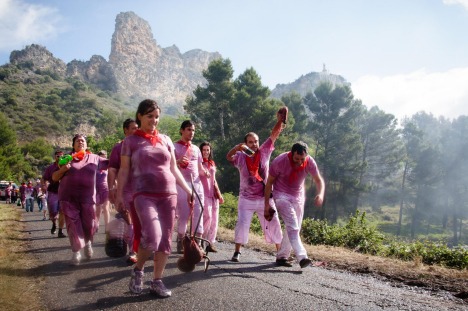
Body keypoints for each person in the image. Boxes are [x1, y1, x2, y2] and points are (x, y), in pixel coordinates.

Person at [115, 99, 193, 298]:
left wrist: (189, 191)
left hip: (169, 194)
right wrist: (119, 194)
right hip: (143, 194)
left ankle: (157, 281)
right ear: (139, 116)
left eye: (157, 116)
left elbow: (173, 168)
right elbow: (124, 170)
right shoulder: (130, 141)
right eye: (150, 116)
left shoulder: (165, 139)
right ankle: (139, 270)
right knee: (152, 236)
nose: (154, 120)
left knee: (165, 241)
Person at [226, 110, 284, 262]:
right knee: (242, 224)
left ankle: (281, 254)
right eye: (250, 142)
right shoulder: (240, 156)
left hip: (265, 199)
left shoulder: (264, 151)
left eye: (256, 141)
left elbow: (274, 134)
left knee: (274, 223)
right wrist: (236, 148)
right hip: (246, 199)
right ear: (245, 144)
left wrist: (279, 120)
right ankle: (237, 252)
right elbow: (228, 157)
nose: (254, 144)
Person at [264, 141, 325, 268]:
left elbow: (319, 180)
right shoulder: (279, 161)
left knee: (293, 227)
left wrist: (320, 194)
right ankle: (302, 257)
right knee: (293, 226)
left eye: (302, 159)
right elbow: (269, 183)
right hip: (281, 195)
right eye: (297, 158)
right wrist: (267, 205)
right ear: (291, 154)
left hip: (298, 197)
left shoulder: (309, 161)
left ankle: (282, 257)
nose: (299, 161)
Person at [52, 134, 109, 265]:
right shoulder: (66, 159)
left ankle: (88, 243)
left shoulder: (95, 158)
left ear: (86, 145)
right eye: (77, 141)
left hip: (88, 198)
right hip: (68, 198)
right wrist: (63, 170)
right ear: (73, 145)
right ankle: (76, 252)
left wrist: (122, 149)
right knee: (73, 225)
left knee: (89, 225)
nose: (80, 142)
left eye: (83, 141)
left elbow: (111, 163)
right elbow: (54, 177)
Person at [174, 120, 208, 254]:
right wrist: (177, 162)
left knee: (199, 213)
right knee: (184, 214)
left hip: (197, 184)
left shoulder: (195, 149)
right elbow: (168, 166)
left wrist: (205, 172)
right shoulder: (174, 146)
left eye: (193, 130)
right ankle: (181, 239)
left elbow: (199, 167)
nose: (191, 132)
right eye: (188, 129)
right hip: (182, 184)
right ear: (181, 130)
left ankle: (196, 245)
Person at [108, 118, 139, 264]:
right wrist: (112, 188)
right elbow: (112, 170)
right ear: (125, 130)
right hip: (125, 189)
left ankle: (138, 247)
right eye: (133, 128)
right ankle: (134, 251)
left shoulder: (142, 146)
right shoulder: (118, 148)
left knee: (142, 221)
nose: (136, 131)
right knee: (130, 220)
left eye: (137, 128)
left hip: (142, 188)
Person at [199, 141, 224, 252]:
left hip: (213, 194)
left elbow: (214, 180)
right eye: (204, 150)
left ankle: (211, 243)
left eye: (207, 150)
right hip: (203, 193)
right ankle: (200, 241)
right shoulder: (198, 163)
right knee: (207, 217)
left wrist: (219, 194)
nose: (206, 152)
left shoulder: (212, 163)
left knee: (214, 219)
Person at [43, 150, 67, 238]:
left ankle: (60, 231)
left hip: (64, 193)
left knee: (62, 212)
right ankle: (54, 223)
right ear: (55, 157)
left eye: (62, 156)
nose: (60, 158)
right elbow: (44, 178)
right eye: (58, 156)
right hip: (53, 192)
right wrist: (43, 185)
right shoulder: (50, 168)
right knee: (53, 214)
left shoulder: (67, 166)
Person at [95, 150, 110, 232]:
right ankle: (96, 224)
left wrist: (114, 186)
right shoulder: (95, 166)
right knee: (98, 210)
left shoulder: (108, 165)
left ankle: (107, 228)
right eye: (102, 155)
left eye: (105, 155)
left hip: (105, 189)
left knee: (106, 208)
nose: (104, 156)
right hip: (96, 190)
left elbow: (112, 176)